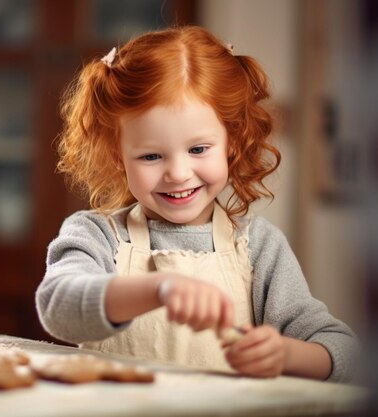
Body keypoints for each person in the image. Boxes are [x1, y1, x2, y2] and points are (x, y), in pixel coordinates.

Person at [35, 26, 358, 382]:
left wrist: (285, 354)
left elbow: (343, 350)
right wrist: (158, 289)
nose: (177, 173)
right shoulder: (96, 235)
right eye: (151, 155)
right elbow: (57, 306)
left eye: (198, 149)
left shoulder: (258, 248)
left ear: (232, 142)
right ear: (118, 156)